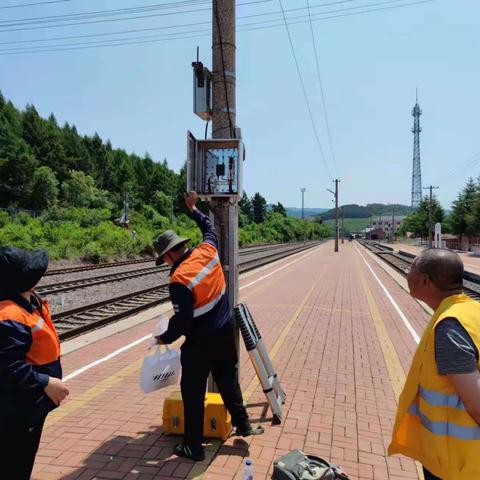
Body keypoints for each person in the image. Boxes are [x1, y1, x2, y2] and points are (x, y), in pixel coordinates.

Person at [153, 191, 263, 461]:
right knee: (227, 379)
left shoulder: (179, 280)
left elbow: (183, 322)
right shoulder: (208, 250)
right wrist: (193, 210)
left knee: (192, 392)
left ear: (168, 255)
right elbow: (209, 227)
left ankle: (193, 446)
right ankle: (244, 424)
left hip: (200, 343)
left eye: (164, 258)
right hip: (226, 333)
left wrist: (163, 338)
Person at [388, 249, 480, 480]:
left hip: (458, 465)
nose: (407, 272)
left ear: (425, 280)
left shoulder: (450, 328)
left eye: (411, 269)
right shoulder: (471, 310)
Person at [0, 246, 69, 480]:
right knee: (14, 463)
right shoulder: (8, 317)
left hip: (28, 405)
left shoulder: (25, 300)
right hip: (17, 410)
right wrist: (46, 383)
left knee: (23, 458)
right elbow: (7, 369)